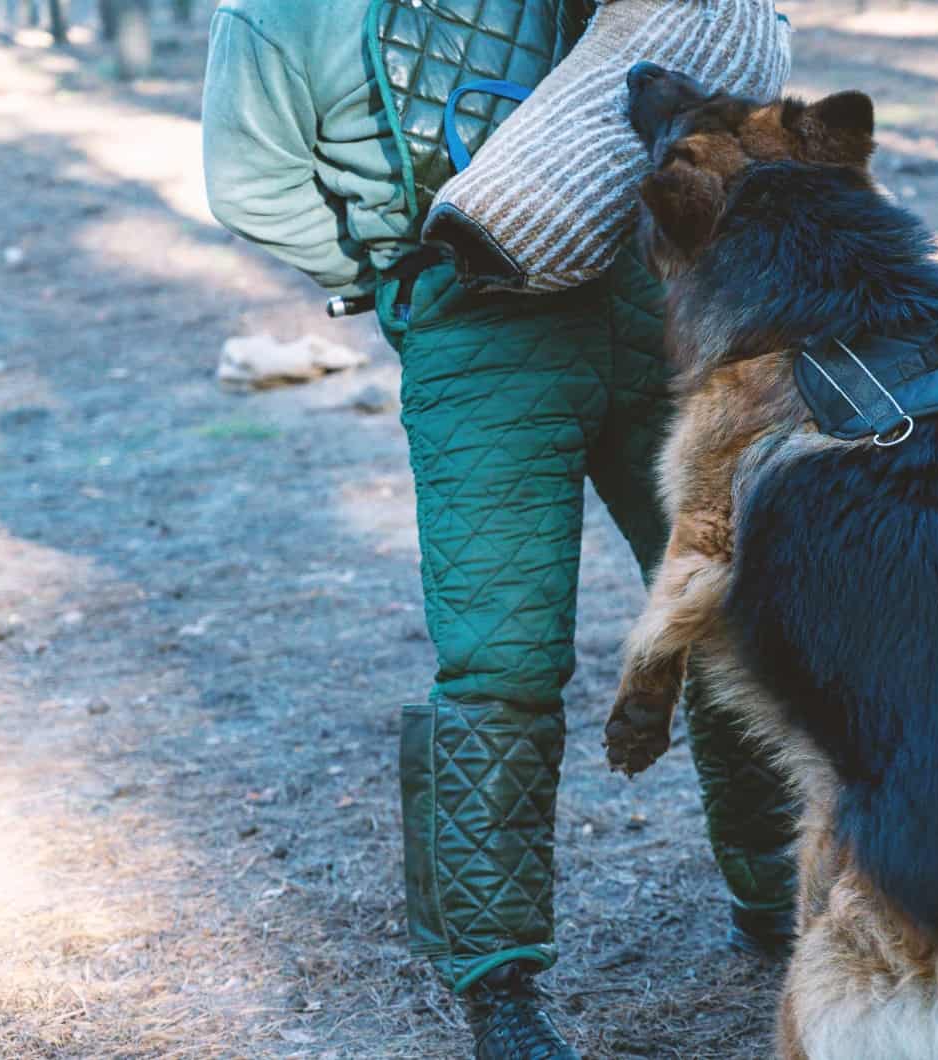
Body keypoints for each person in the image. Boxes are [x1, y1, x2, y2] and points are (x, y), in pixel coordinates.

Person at [200, 2, 796, 1057]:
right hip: (474, 330)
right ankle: (500, 985)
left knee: (730, 602)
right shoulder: (274, 17)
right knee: (501, 659)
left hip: (639, 299)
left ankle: (780, 897)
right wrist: (387, 275)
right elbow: (249, 186)